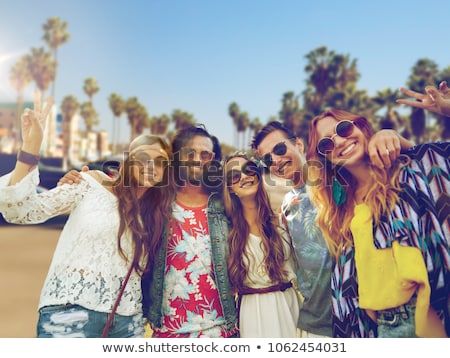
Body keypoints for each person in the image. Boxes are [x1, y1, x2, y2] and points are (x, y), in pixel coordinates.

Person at [0, 91, 175, 337]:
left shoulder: (158, 212)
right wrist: (30, 148)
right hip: (69, 314)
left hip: (129, 323)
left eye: (160, 162)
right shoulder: (88, 185)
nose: (151, 166)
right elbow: (21, 211)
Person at [251, 121, 409, 337]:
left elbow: (392, 171)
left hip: (358, 317)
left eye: (279, 149)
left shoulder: (338, 180)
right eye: (268, 159)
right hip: (313, 324)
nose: (276, 160)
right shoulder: (287, 203)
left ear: (299, 144)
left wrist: (389, 135)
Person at [306, 108, 449, 338]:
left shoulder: (406, 172)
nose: (340, 142)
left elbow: (436, 167)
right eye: (326, 144)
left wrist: (400, 139)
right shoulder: (339, 208)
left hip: (431, 313)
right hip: (381, 326)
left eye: (343, 129)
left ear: (360, 126)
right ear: (325, 158)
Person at [141, 124, 238, 338]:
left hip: (219, 330)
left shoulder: (226, 204)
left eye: (205, 154)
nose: (198, 159)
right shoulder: (156, 202)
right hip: (168, 332)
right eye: (190, 153)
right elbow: (122, 193)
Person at [222, 153, 299, 337]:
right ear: (230, 189)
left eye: (248, 169)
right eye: (234, 175)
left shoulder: (283, 221)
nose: (244, 177)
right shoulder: (227, 233)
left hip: (288, 305)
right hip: (252, 312)